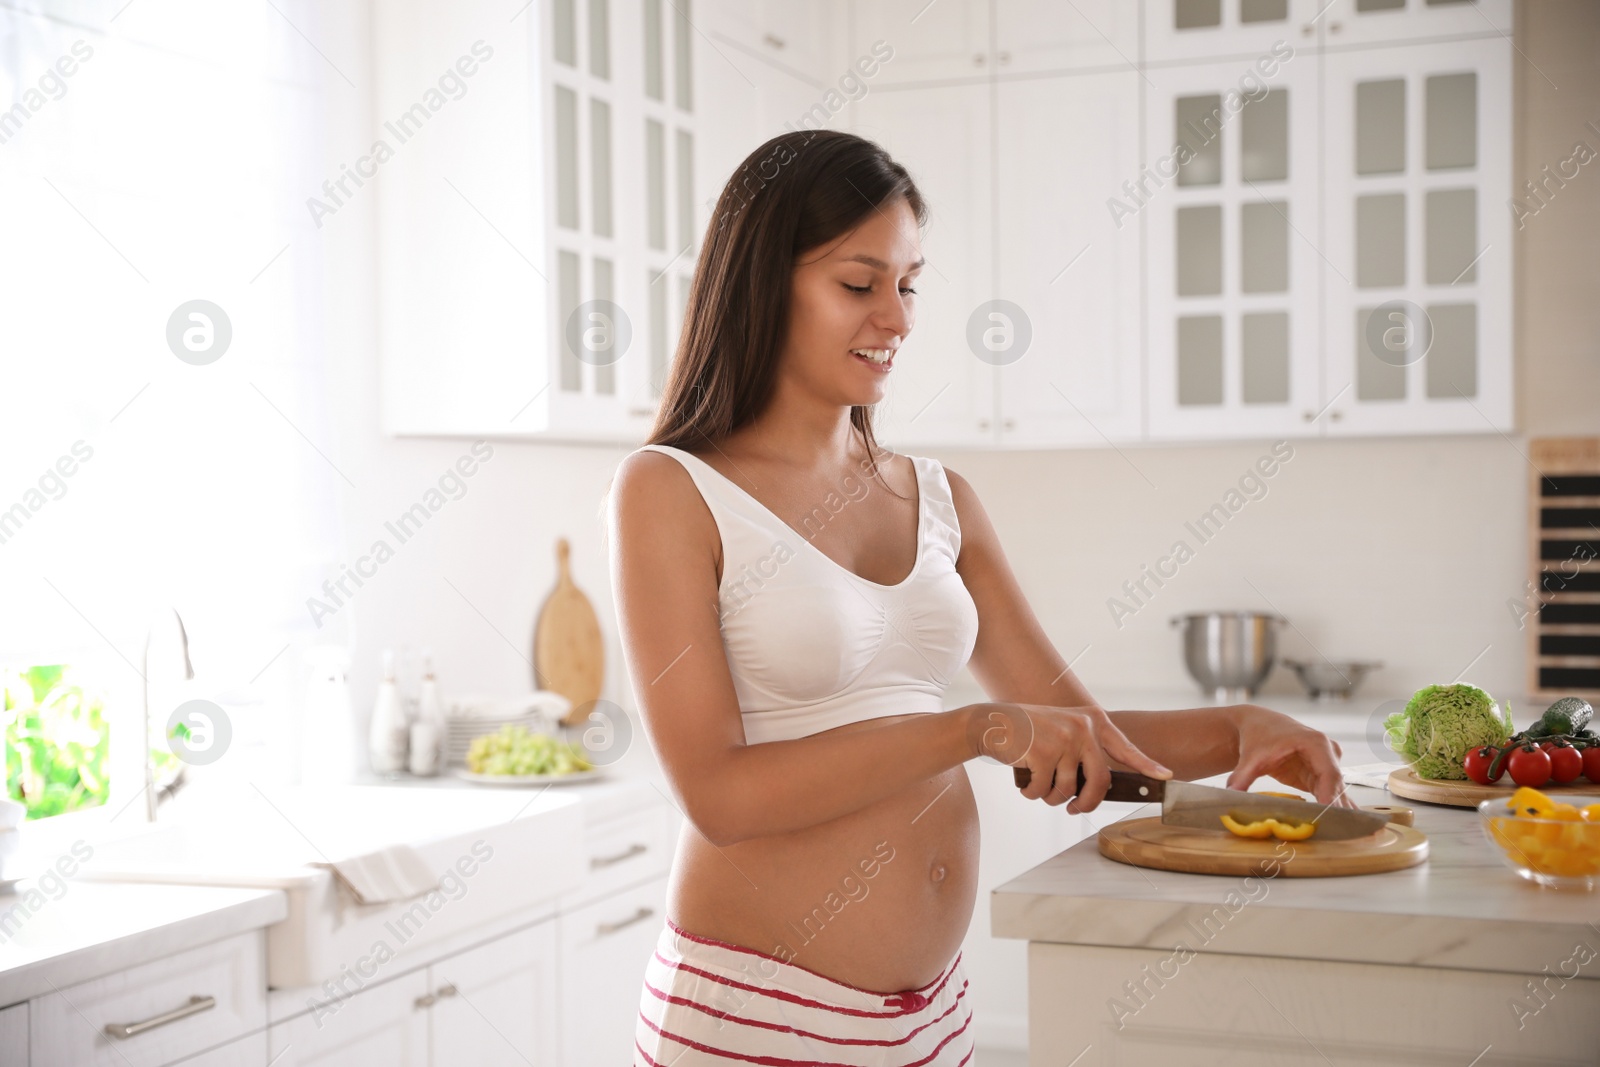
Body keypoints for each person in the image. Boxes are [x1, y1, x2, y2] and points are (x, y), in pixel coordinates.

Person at [607, 129, 1351, 1067]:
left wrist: (1234, 728)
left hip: (933, 1022)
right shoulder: (672, 491)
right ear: (765, 280)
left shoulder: (941, 497)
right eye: (858, 283)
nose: (899, 318)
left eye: (910, 284)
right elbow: (719, 794)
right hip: (757, 1016)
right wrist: (974, 730)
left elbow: (1077, 736)